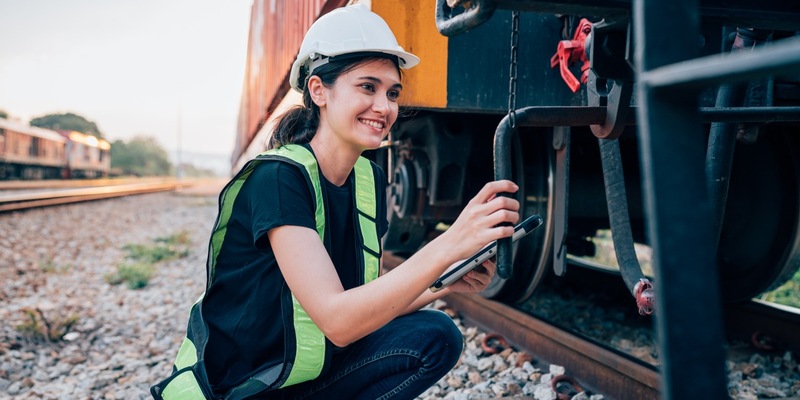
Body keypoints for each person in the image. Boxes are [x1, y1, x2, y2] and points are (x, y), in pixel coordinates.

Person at [151, 4, 519, 400]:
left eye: (392, 93)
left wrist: (445, 279)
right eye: (367, 87)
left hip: (301, 379)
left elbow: (366, 303)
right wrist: (450, 243)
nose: (385, 107)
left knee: (435, 335)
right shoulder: (278, 179)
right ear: (318, 90)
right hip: (243, 389)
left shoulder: (367, 179)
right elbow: (338, 322)